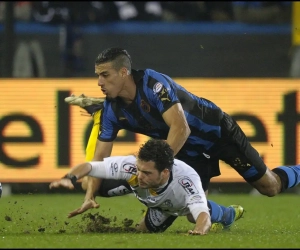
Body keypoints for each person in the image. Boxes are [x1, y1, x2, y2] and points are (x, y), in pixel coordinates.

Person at [65, 47, 300, 217]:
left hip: (218, 134)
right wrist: (89, 196)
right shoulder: (110, 111)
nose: (99, 82)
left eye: (105, 75)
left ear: (124, 72)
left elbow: (181, 127)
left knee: (270, 187)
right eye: (97, 75)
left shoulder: (154, 85)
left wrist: (159, 168)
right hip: (187, 151)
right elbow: (99, 161)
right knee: (191, 211)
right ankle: (228, 215)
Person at [50, 139, 244, 234]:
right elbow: (91, 166)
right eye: (139, 169)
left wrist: (200, 230)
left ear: (165, 172)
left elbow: (202, 215)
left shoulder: (187, 180)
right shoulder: (132, 167)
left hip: (174, 207)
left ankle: (229, 214)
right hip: (154, 200)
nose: (140, 175)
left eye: (147, 173)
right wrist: (69, 177)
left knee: (192, 216)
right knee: (93, 183)